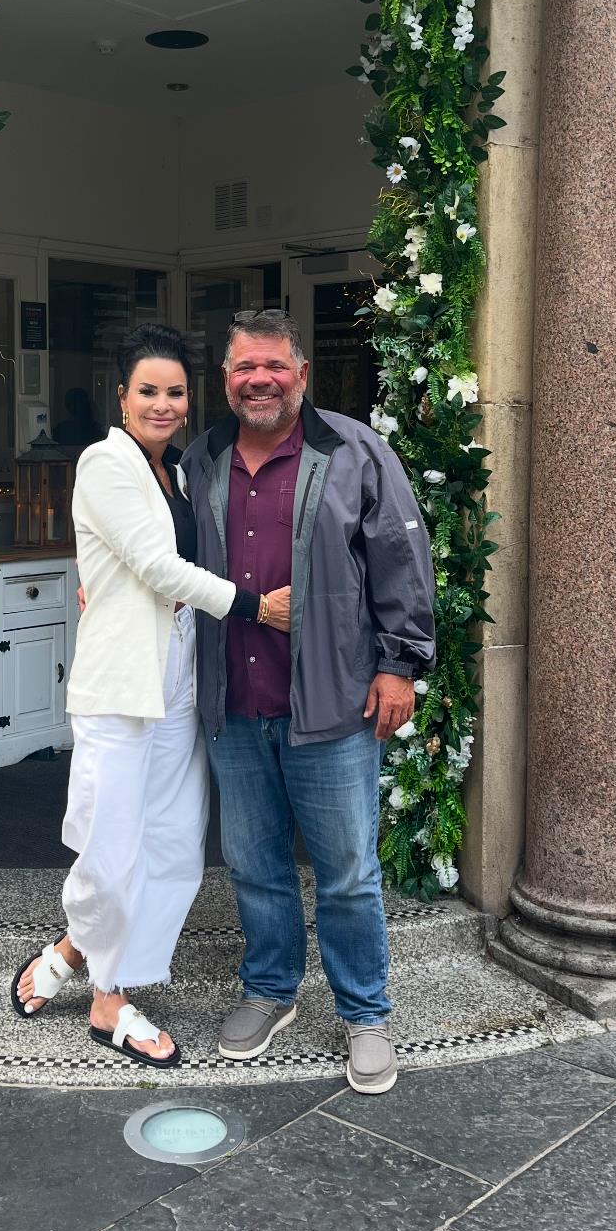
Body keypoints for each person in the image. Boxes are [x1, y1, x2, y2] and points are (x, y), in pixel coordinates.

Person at [10, 324, 290, 1069]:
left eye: (174, 392)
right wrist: (256, 607)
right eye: (148, 391)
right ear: (122, 396)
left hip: (179, 680)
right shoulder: (105, 463)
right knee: (110, 844)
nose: (162, 404)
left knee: (171, 843)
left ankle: (81, 953)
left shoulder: (181, 474)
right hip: (120, 685)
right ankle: (108, 1002)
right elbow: (154, 564)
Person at [181, 310, 436, 1094]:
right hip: (235, 702)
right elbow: (170, 562)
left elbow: (401, 557)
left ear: (299, 373)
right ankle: (270, 990)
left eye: (273, 366)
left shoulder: (355, 451)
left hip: (331, 705)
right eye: (242, 369)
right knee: (254, 867)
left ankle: (365, 1012)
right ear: (224, 379)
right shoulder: (202, 458)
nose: (258, 380)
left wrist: (400, 665)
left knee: (348, 872)